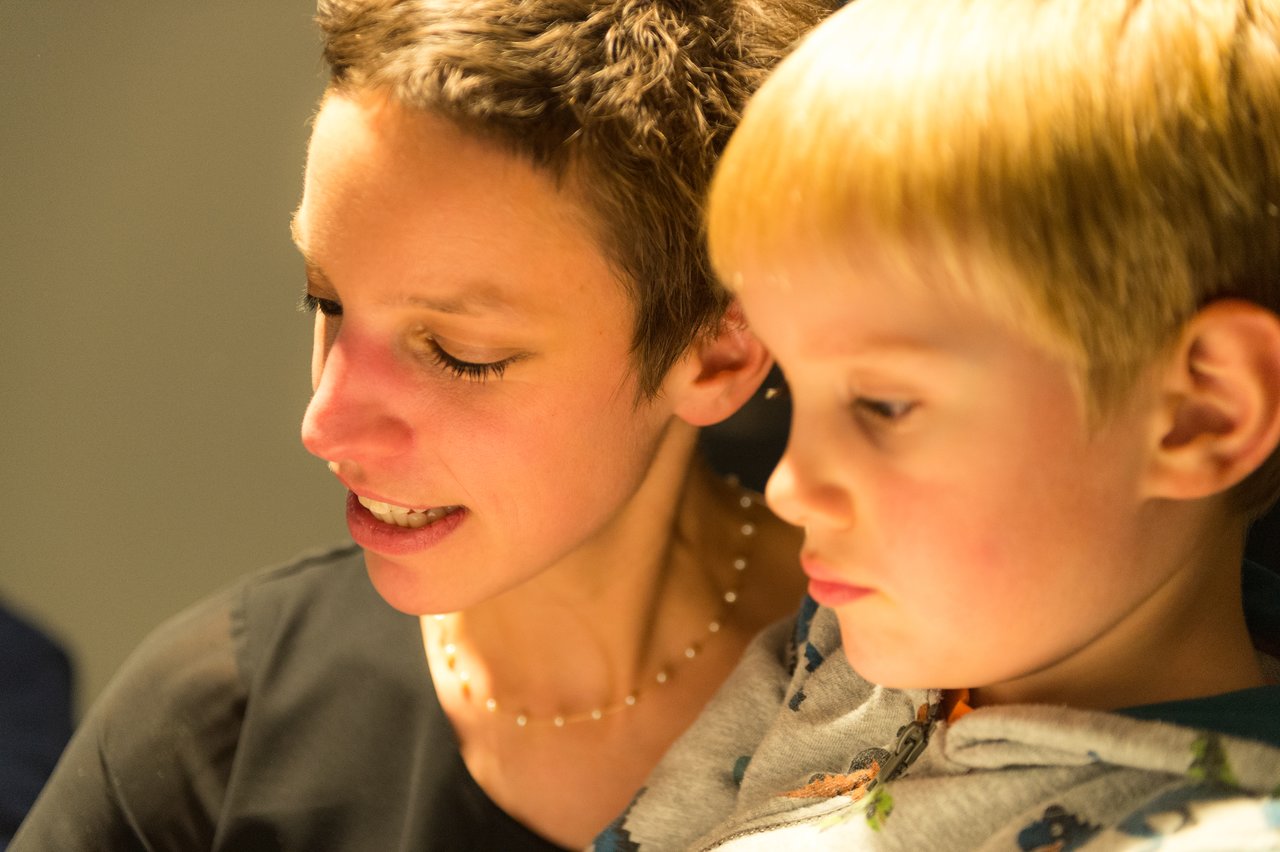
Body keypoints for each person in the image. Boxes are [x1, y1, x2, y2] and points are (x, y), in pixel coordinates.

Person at [11, 0, 835, 848]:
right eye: (325, 300)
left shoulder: (903, 689)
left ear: (717, 355)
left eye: (458, 353)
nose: (324, 426)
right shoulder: (210, 734)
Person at [598, 0, 1280, 848]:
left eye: (883, 405)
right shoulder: (839, 653)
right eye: (795, 394)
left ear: (1203, 411)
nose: (789, 487)